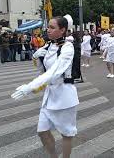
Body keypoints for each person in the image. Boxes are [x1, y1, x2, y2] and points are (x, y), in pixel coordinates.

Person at [11, 16, 79, 158]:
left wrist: (29, 87)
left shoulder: (67, 48)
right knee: (42, 132)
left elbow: (54, 72)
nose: (48, 30)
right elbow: (43, 72)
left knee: (67, 133)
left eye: (52, 27)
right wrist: (37, 58)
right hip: (50, 95)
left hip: (64, 96)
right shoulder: (48, 46)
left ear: (62, 30)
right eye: (48, 26)